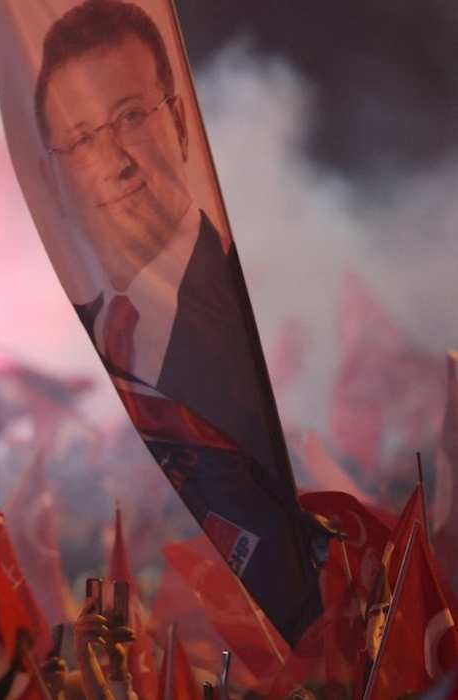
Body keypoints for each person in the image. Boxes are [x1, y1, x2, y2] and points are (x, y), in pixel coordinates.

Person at [32, 0, 324, 644]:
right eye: (80, 139)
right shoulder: (89, 336)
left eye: (130, 117)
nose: (113, 161)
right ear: (54, 178)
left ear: (182, 122)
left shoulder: (261, 321)